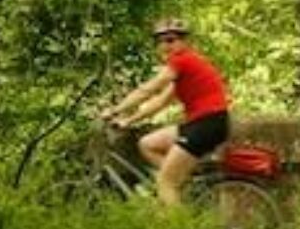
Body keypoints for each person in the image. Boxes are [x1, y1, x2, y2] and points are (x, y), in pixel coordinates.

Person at [99, 18, 231, 206]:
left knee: (165, 182)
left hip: (206, 124)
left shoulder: (182, 60)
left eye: (171, 40)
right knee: (147, 144)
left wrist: (115, 110)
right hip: (202, 123)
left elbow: (149, 89)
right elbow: (160, 102)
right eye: (160, 41)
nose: (165, 45)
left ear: (184, 42)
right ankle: (180, 180)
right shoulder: (185, 68)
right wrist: (129, 120)